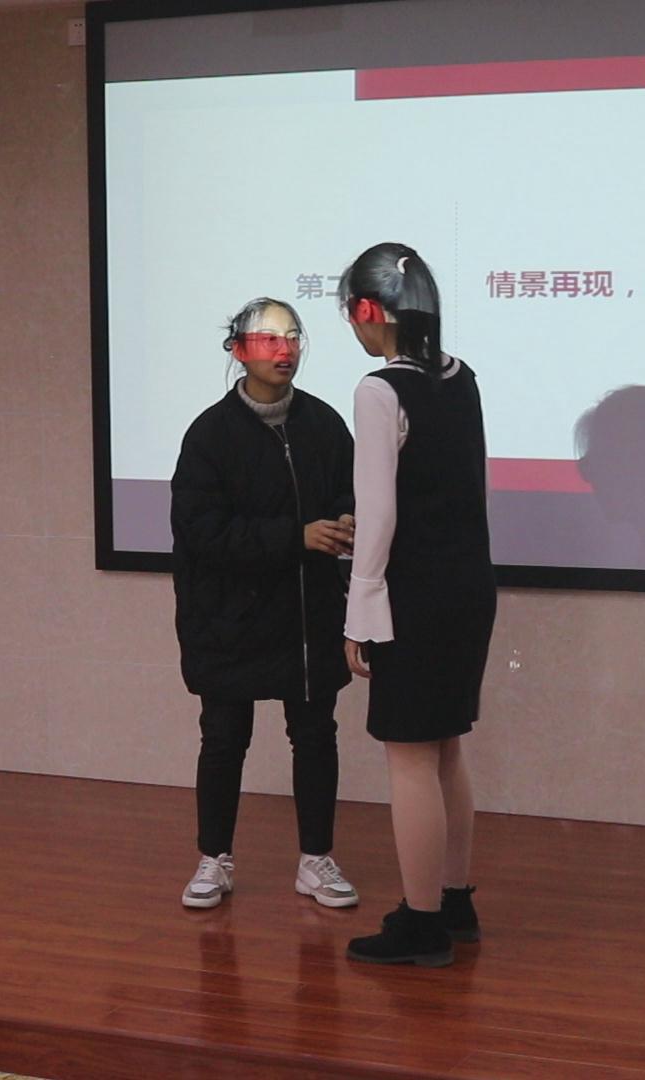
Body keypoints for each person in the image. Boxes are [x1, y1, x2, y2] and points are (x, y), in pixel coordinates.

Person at [169, 297, 360, 911]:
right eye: (268, 338)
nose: (285, 350)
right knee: (224, 738)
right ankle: (214, 859)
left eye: (293, 337)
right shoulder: (209, 435)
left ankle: (316, 859)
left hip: (309, 615)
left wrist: (349, 520)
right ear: (238, 350)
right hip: (230, 618)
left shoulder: (325, 424)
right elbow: (201, 533)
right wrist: (294, 536)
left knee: (316, 735)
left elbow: (351, 493)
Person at [337, 244, 496, 967]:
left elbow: (377, 518)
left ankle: (423, 923)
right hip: (468, 588)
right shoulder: (463, 379)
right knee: (446, 747)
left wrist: (359, 614)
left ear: (370, 311)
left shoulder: (380, 390)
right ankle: (454, 901)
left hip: (415, 596)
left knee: (409, 758)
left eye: (351, 313)